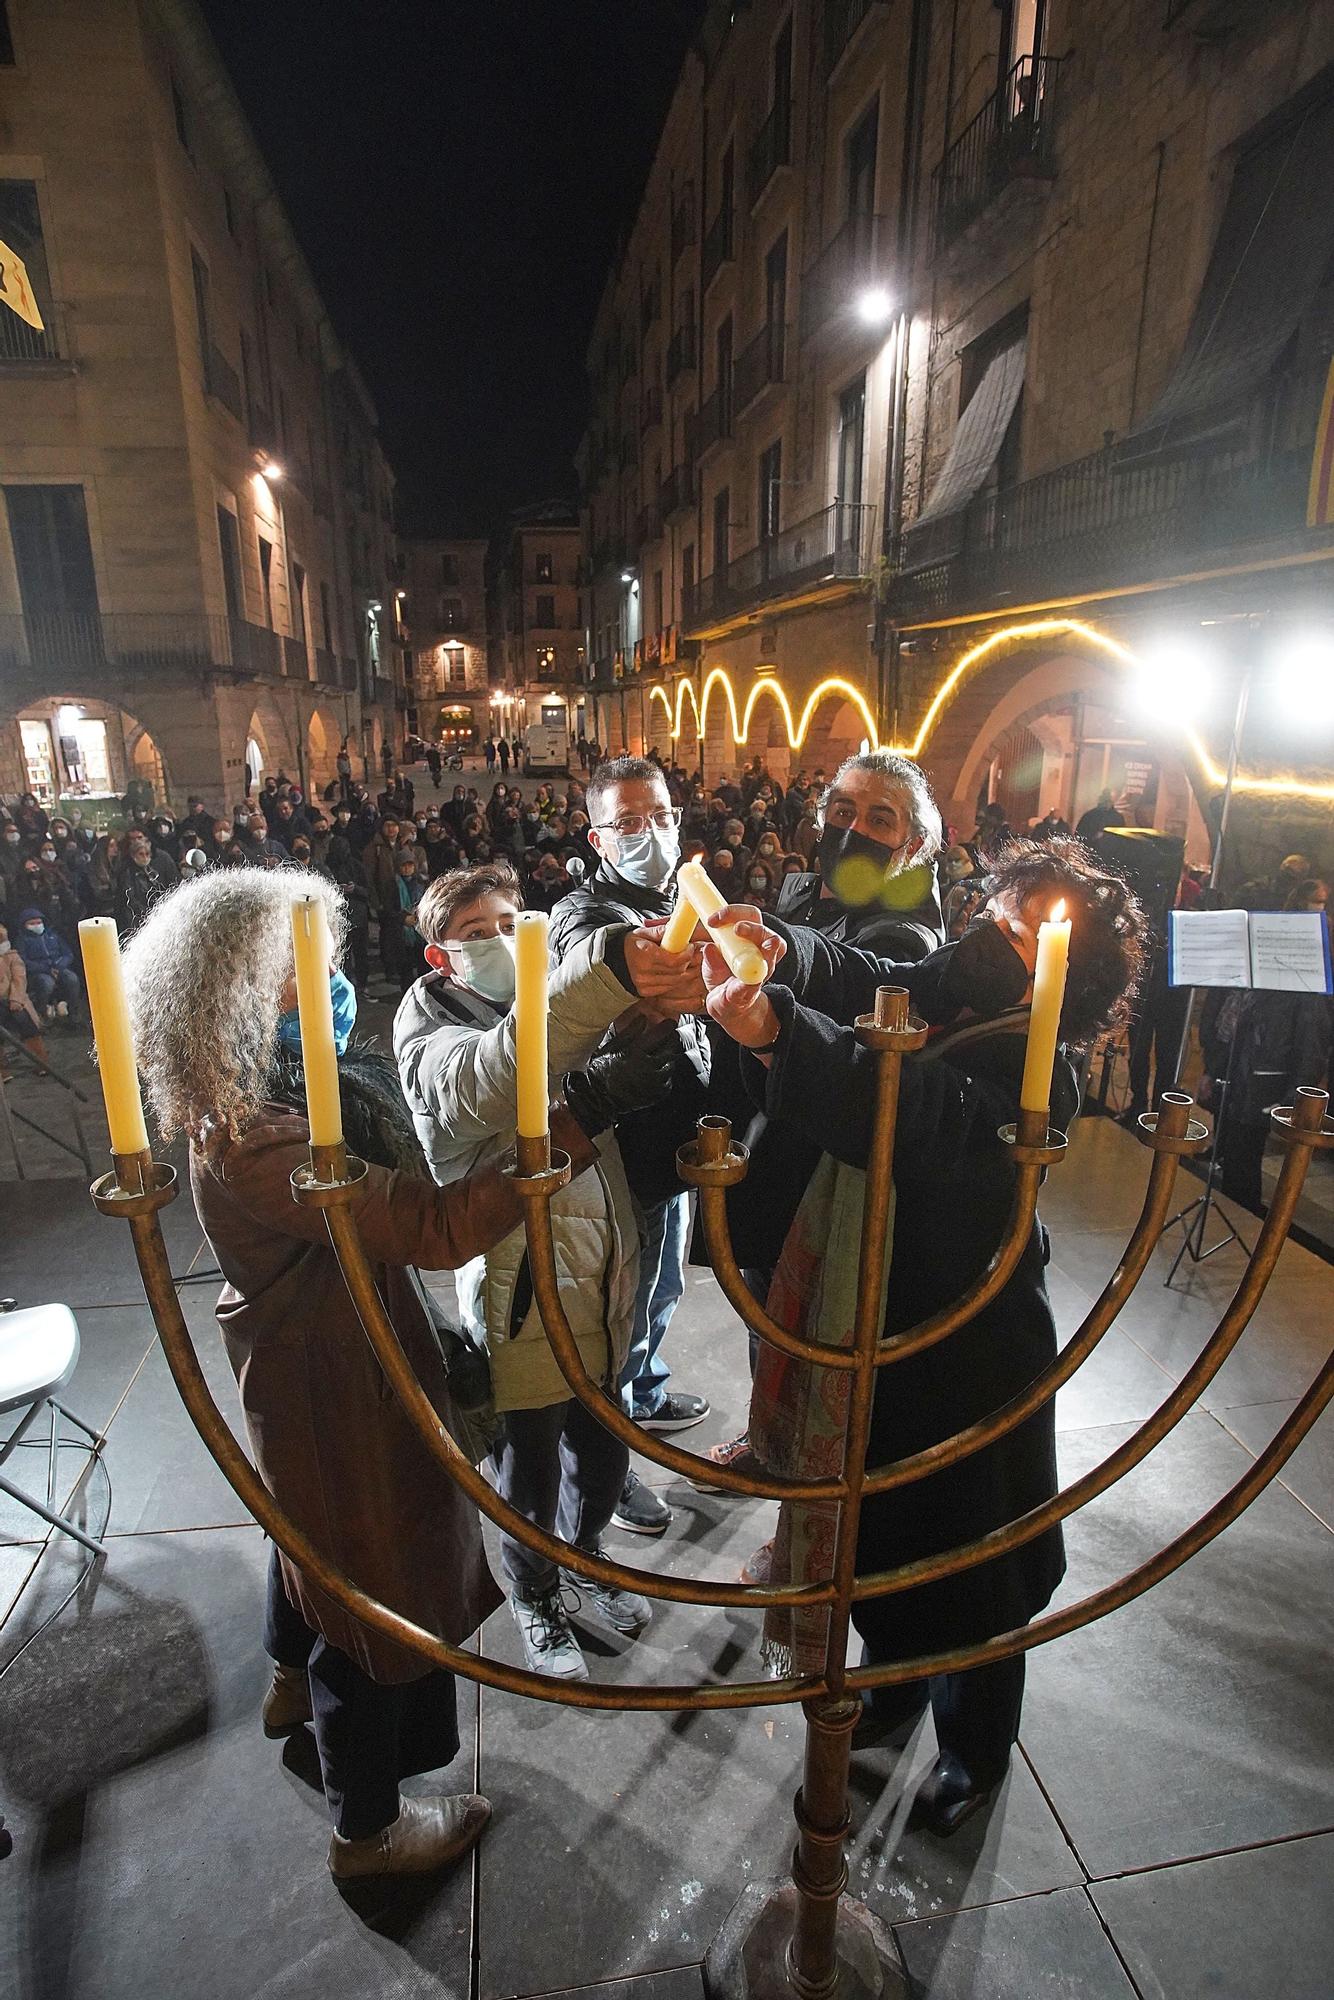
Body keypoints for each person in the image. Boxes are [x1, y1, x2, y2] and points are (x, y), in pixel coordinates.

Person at [120, 867, 622, 1877]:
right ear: (239, 995)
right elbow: (427, 1225)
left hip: (328, 1361)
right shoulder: (258, 1137)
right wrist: (567, 1125)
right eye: (300, 968)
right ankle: (369, 1829)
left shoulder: (272, 1097)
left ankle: (285, 1681)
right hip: (332, 1387)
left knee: (311, 1542)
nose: (332, 977)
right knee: (365, 1596)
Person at [693, 836, 1150, 1836]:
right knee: (884, 1533)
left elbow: (922, 1113)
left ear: (1082, 967)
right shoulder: (961, 976)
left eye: (1039, 927)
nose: (1008, 930)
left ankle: (973, 1749)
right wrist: (785, 955)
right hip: (874, 1314)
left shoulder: (1045, 1078)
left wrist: (781, 1032)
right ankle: (894, 1685)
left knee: (971, 1563)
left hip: (967, 1341)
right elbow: (879, 974)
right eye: (1007, 906)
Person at [395, 864, 688, 1680]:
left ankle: (587, 1555)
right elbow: (490, 1080)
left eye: (510, 921)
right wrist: (594, 1090)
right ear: (438, 956)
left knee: (601, 1457)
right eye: (476, 932)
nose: (498, 939)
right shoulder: (430, 1026)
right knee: (527, 1469)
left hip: (601, 1271)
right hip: (514, 1286)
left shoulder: (556, 1001)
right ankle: (534, 1593)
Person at [548, 757, 713, 1538]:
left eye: (661, 815)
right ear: (597, 835)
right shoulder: (588, 909)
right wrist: (634, 955)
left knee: (663, 1286)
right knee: (619, 1306)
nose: (651, 832)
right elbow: (592, 954)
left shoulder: (681, 893)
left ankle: (644, 1393)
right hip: (620, 1148)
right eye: (630, 822)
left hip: (677, 1137)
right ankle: (610, 1467)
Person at [775, 751, 944, 960]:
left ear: (913, 846)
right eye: (844, 812)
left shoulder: (899, 943)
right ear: (823, 818)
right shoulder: (797, 896)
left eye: (879, 820)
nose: (854, 830)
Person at [15, 906, 81, 1022]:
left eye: (39, 922)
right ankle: (42, 1012)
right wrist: (45, 969)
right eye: (32, 923)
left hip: (58, 967)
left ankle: (73, 1012)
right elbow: (22, 961)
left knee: (72, 979)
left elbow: (68, 954)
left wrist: (58, 966)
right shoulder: (21, 940)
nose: (36, 925)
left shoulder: (53, 935)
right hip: (38, 972)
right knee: (47, 983)